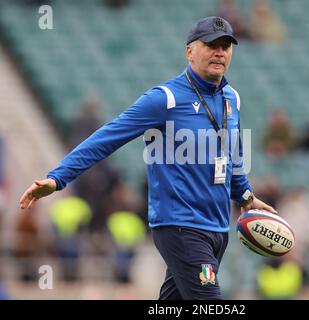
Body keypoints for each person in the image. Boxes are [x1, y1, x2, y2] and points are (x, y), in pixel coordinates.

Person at [19, 16, 276, 300]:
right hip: (180, 227)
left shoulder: (231, 98)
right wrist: (58, 178)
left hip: (218, 228)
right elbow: (107, 137)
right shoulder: (164, 98)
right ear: (189, 51)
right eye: (211, 45)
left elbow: (230, 156)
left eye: (226, 46)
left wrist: (245, 195)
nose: (220, 52)